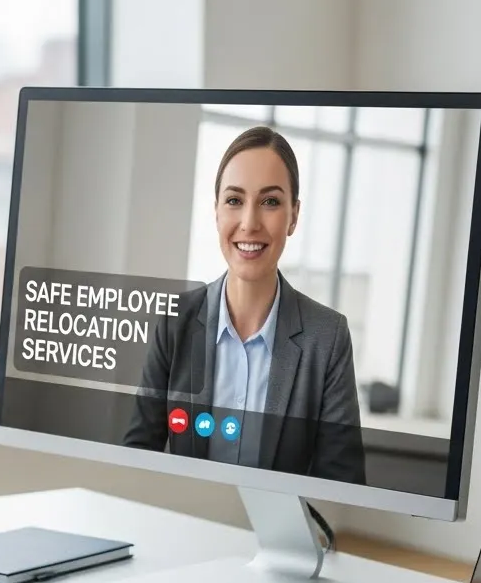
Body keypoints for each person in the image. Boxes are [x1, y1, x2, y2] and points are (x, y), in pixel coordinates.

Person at [123, 125, 366, 495]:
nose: (249, 223)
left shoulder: (327, 337)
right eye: (234, 201)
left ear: (294, 216)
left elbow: (343, 486)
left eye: (270, 202)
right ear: (216, 211)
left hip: (280, 545)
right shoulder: (176, 320)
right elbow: (138, 456)